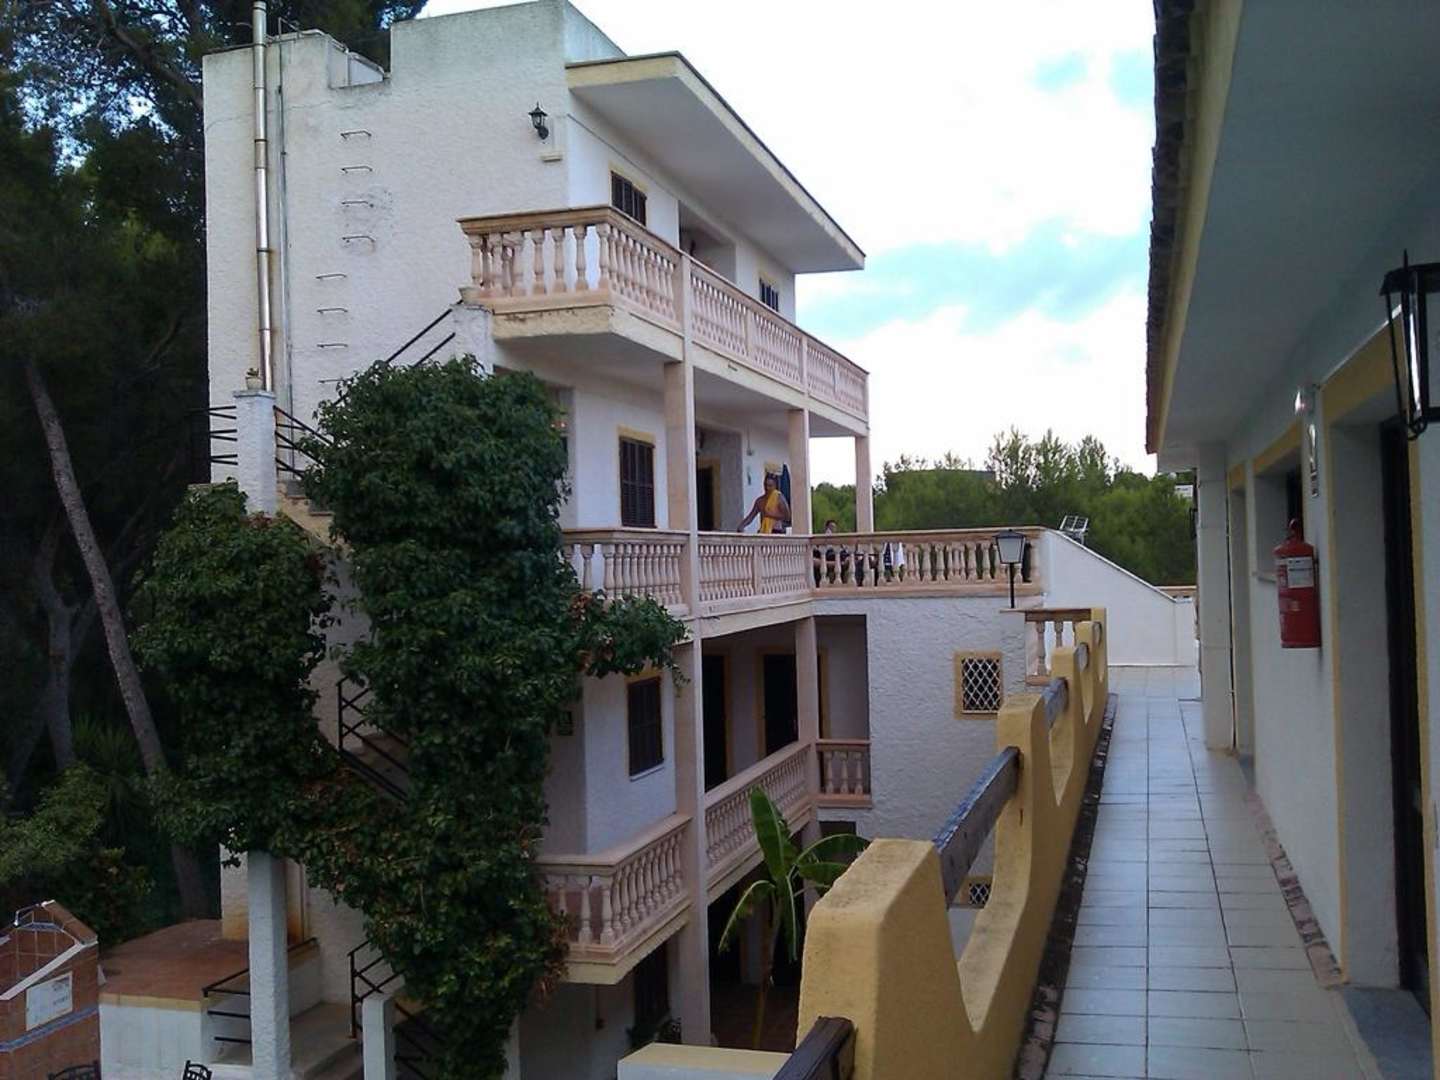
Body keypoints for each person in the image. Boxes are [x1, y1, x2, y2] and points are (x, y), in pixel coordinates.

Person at [813, 519, 850, 585]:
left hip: (835, 553)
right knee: (839, 555)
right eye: (831, 527)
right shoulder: (825, 536)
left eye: (834, 527)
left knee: (843, 554)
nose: (832, 529)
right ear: (827, 527)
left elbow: (842, 547)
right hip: (828, 553)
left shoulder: (837, 537)